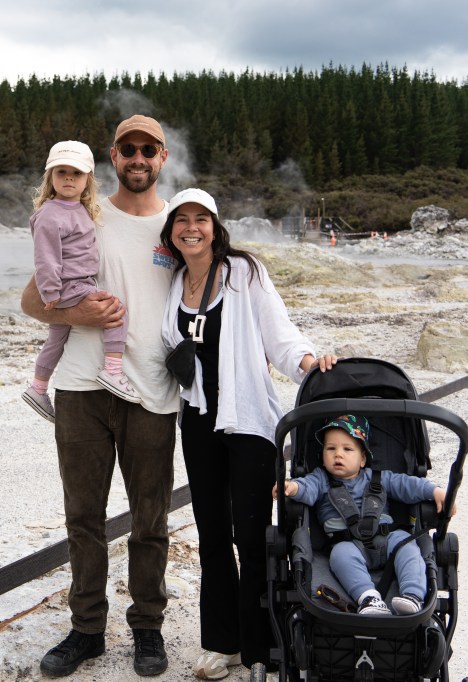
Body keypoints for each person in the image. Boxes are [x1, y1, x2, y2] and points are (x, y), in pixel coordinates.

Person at [20, 115, 180, 678]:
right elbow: (30, 302)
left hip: (153, 391)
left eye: (148, 150)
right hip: (82, 388)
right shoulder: (84, 213)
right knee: (83, 516)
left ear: (163, 158)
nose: (138, 159)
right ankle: (86, 629)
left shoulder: (180, 225)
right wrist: (75, 312)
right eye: (128, 149)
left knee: (150, 518)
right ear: (112, 156)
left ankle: (147, 627)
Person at [159, 188, 337, 680]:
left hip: (248, 421)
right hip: (197, 421)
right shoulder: (175, 281)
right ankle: (222, 643)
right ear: (171, 232)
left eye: (201, 219)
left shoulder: (244, 274)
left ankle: (264, 645)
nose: (191, 228)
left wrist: (310, 365)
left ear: (215, 227)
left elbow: (279, 335)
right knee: (212, 534)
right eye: (181, 221)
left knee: (254, 537)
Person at [279, 414, 451, 616]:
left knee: (407, 545)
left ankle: (412, 595)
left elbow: (408, 484)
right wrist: (292, 487)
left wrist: (435, 491)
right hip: (347, 544)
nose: (338, 455)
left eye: (347, 449)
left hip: (387, 539)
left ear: (362, 459)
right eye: (330, 448)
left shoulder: (379, 478)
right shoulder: (320, 479)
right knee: (340, 556)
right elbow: (306, 488)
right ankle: (369, 598)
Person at [22, 139, 141, 423]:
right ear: (50, 176)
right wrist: (50, 293)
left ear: (88, 179)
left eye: (76, 173)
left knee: (56, 339)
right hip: (72, 285)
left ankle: (38, 387)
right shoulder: (50, 214)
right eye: (61, 172)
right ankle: (112, 371)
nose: (68, 179)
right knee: (115, 310)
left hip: (73, 284)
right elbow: (45, 258)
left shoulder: (79, 209)